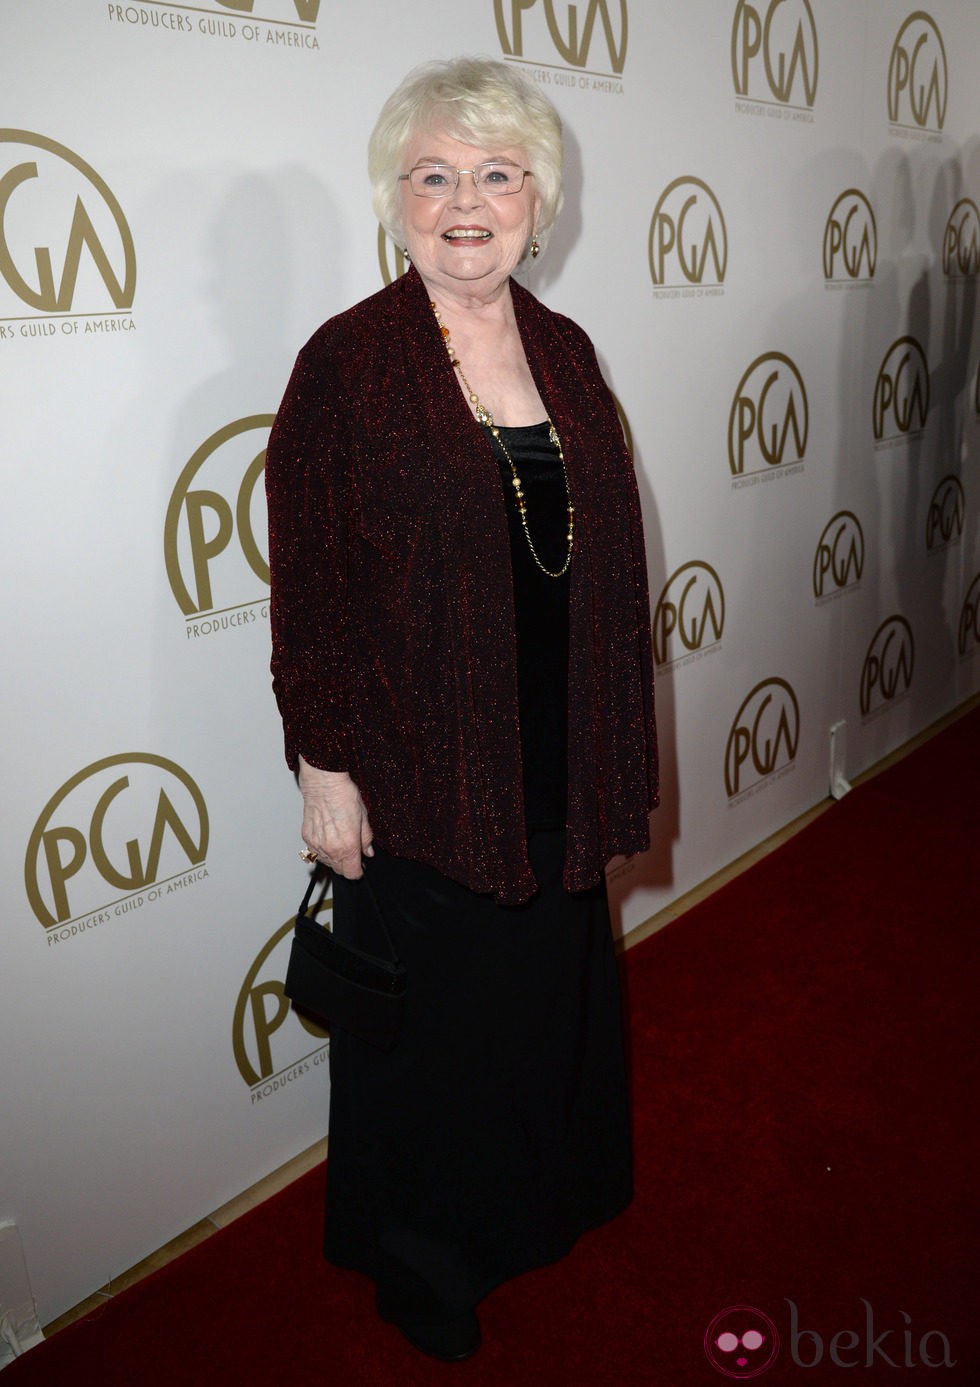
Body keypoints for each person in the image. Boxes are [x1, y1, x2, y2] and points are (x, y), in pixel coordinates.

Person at [265, 56, 658, 1362]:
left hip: (557, 751)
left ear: (540, 201)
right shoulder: (348, 364)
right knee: (427, 1037)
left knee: (546, 993)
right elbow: (312, 584)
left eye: (497, 174)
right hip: (420, 763)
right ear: (395, 198)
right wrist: (325, 762)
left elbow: (595, 555)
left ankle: (544, 1200)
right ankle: (423, 1260)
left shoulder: (562, 344)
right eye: (434, 176)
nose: (467, 202)